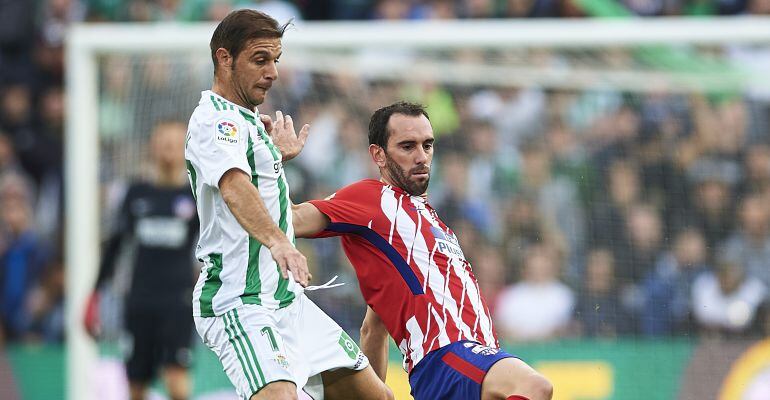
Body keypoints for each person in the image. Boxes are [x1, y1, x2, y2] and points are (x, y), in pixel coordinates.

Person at [183, 9, 392, 400]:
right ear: (224, 58)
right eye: (260, 59)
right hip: (239, 302)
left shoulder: (248, 123)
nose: (273, 72)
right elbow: (234, 187)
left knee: (375, 397)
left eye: (275, 60)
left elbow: (254, 189)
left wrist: (277, 160)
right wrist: (279, 241)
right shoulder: (216, 121)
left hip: (285, 300)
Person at [291, 101, 553, 400]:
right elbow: (293, 218)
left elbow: (372, 328)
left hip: (469, 364)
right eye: (407, 146)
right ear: (378, 154)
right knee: (533, 387)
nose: (421, 157)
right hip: (446, 356)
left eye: (427, 145)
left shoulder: (427, 219)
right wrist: (270, 161)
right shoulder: (371, 197)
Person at [84, 121, 199, 400]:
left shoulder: (195, 195)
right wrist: (95, 294)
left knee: (176, 381)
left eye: (174, 140)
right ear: (152, 145)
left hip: (178, 301)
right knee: (135, 384)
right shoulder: (136, 193)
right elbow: (116, 246)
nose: (168, 146)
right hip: (139, 300)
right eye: (163, 140)